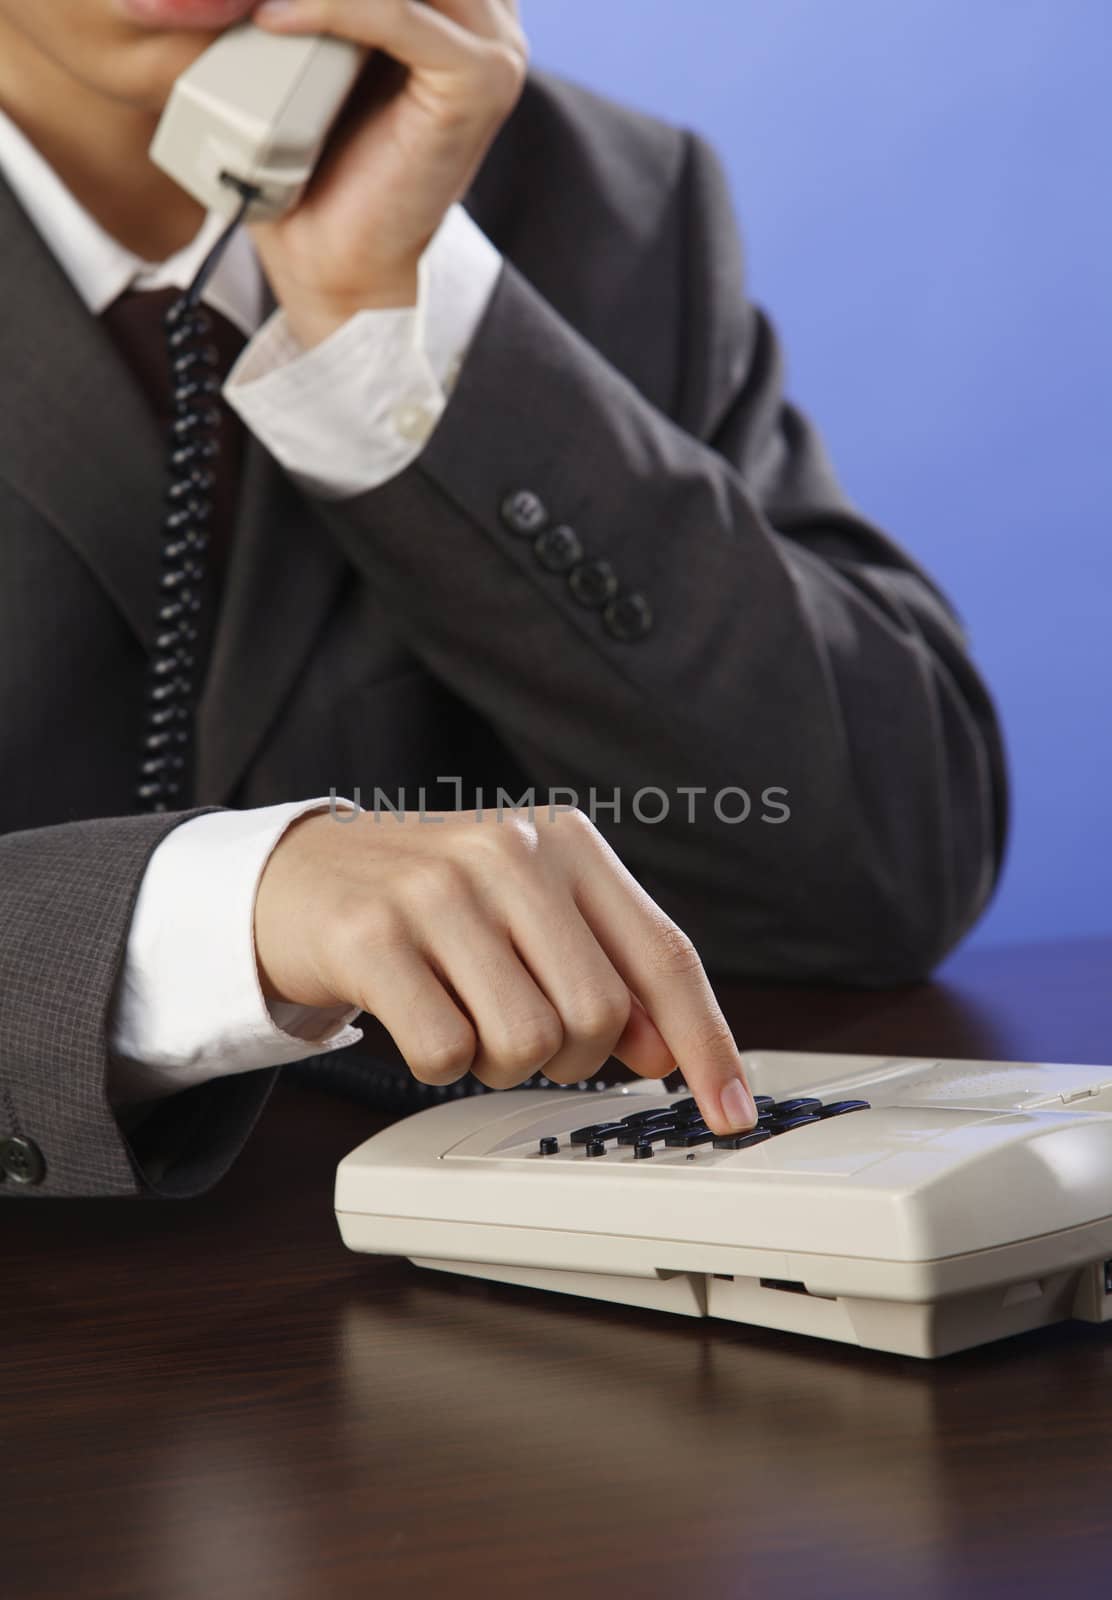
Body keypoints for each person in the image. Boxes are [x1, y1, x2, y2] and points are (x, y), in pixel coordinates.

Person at [0, 0, 1008, 1199]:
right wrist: (220, 911)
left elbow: (883, 867)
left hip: (479, 1291)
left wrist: (391, 343)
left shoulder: (611, 197)